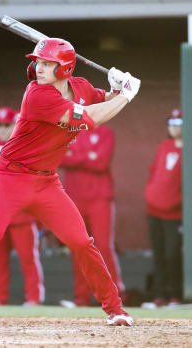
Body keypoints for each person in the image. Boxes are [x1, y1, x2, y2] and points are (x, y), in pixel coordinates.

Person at [0, 37, 140, 326]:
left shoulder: (80, 87)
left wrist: (117, 88)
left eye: (47, 64)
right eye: (38, 62)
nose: (39, 68)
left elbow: (100, 100)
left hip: (46, 182)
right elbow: (90, 118)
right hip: (10, 176)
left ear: (65, 69)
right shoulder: (37, 95)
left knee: (82, 242)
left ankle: (115, 309)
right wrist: (127, 96)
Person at [0, 107, 44, 306]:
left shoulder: (27, 145)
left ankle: (34, 297)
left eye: (6, 125)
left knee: (28, 259)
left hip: (22, 215)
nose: (1, 129)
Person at [59, 123, 124, 308]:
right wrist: (88, 156)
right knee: (78, 246)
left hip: (100, 197)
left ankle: (117, 294)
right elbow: (62, 158)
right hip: (74, 197)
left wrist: (76, 158)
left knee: (104, 246)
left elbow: (101, 162)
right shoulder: (70, 131)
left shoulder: (106, 132)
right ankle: (81, 297)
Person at [141, 108, 184, 308]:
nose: (174, 128)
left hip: (174, 213)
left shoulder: (188, 150)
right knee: (158, 254)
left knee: (172, 254)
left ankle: (174, 295)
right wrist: (150, 194)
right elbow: (153, 173)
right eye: (171, 123)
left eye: (179, 124)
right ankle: (159, 296)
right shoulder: (164, 146)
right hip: (154, 210)